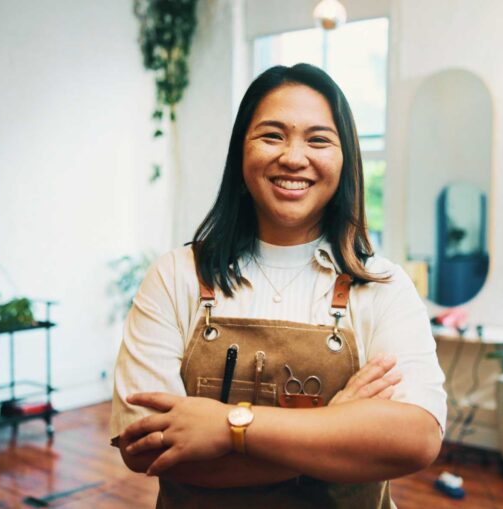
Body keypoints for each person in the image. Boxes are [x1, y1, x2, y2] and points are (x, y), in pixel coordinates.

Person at [111, 63, 446, 508]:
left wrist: (229, 426)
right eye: (272, 135)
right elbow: (151, 451)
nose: (293, 157)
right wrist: (336, 427)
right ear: (241, 153)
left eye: (318, 139)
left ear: (345, 159)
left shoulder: (382, 285)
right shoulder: (175, 277)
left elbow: (416, 438)